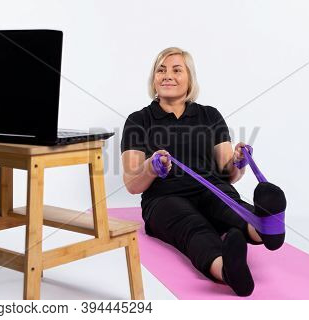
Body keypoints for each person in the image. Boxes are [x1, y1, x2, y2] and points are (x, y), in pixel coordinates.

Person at [120, 47, 286, 296]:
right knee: (193, 227)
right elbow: (133, 184)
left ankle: (263, 230)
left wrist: (238, 162)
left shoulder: (210, 115)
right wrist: (151, 166)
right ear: (153, 78)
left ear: (190, 78)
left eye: (177, 70)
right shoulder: (139, 120)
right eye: (161, 70)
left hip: (211, 189)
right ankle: (226, 270)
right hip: (164, 198)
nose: (167, 75)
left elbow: (228, 173)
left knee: (230, 206)